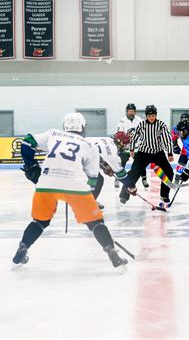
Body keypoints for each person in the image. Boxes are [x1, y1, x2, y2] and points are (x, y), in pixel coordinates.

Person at [13, 112, 128, 270]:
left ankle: (22, 248)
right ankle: (112, 252)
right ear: (82, 127)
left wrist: (31, 166)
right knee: (95, 223)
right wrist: (87, 200)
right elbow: (93, 180)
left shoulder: (53, 134)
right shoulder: (89, 145)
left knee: (39, 221)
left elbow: (27, 142)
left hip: (46, 183)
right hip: (75, 186)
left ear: (65, 126)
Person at [119, 105, 174, 205]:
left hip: (158, 153)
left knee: (169, 172)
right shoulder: (142, 124)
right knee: (133, 173)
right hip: (143, 153)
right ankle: (124, 195)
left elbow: (167, 140)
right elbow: (134, 137)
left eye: (153, 115)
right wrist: (131, 149)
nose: (151, 118)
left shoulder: (161, 125)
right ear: (146, 116)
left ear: (156, 115)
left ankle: (164, 195)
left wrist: (169, 153)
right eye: (149, 116)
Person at [87, 131, 138, 209]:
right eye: (125, 143)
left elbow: (99, 154)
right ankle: (88, 203)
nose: (126, 145)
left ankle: (88, 200)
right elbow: (121, 174)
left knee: (96, 178)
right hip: (85, 164)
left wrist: (104, 166)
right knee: (98, 180)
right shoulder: (113, 153)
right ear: (120, 142)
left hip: (83, 160)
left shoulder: (106, 140)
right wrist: (131, 186)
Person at [115, 103, 148, 188]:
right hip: (125, 147)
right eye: (129, 111)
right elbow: (118, 134)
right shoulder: (122, 121)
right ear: (127, 112)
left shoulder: (140, 120)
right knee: (121, 162)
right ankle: (118, 179)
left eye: (132, 111)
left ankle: (144, 179)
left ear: (135, 112)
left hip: (137, 147)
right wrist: (120, 143)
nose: (131, 113)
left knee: (141, 163)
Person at [171, 113, 189, 183]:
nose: (185, 121)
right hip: (186, 150)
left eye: (186, 119)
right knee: (181, 163)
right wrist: (175, 145)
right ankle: (177, 178)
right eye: (183, 119)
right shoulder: (177, 128)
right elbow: (174, 137)